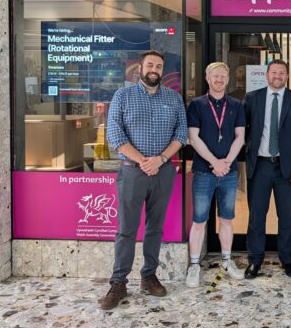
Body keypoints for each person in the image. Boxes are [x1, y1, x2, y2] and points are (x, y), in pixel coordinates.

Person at [99, 50, 187, 310]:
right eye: (150, 64)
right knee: (126, 229)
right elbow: (114, 135)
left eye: (159, 66)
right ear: (141, 68)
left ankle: (149, 276)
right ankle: (118, 283)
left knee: (154, 228)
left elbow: (181, 134)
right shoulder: (123, 96)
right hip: (132, 172)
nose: (154, 69)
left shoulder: (173, 98)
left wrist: (159, 160)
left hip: (162, 171)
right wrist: (143, 161)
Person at [243, 59, 291, 279]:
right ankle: (255, 260)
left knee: (287, 216)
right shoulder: (253, 98)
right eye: (274, 72)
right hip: (260, 165)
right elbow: (243, 131)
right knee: (256, 216)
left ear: (287, 76)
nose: (278, 76)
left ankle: (287, 259)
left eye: (282, 73)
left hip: (286, 168)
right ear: (266, 74)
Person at [185, 62, 247, 288]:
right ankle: (194, 265)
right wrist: (214, 163)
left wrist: (227, 163)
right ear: (207, 77)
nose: (220, 80)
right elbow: (194, 137)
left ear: (228, 79)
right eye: (215, 76)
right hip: (204, 171)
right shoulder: (197, 105)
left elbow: (240, 137)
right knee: (199, 220)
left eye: (223, 76)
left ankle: (227, 261)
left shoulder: (236, 105)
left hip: (228, 173)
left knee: (227, 219)